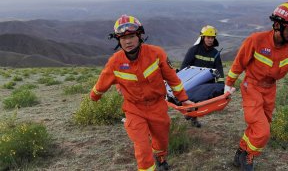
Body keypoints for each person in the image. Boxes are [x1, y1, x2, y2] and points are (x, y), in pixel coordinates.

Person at [224, 2, 288, 171]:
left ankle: (241, 151)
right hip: (251, 86)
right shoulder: (256, 40)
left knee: (260, 125)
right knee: (262, 131)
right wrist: (228, 84)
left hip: (270, 89)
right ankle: (248, 157)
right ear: (277, 26)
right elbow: (239, 63)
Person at [90, 14, 194, 171]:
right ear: (118, 40)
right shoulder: (115, 62)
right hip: (134, 109)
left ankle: (161, 157)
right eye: (123, 38)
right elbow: (102, 83)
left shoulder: (156, 54)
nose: (128, 41)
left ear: (139, 35)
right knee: (142, 145)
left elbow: (173, 79)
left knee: (161, 139)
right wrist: (94, 96)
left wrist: (184, 99)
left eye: (131, 36)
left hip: (158, 106)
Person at [180, 25, 225, 128]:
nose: (210, 40)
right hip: (193, 81)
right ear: (203, 37)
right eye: (208, 37)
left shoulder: (215, 53)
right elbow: (184, 66)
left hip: (207, 82)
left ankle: (193, 117)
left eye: (212, 38)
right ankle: (190, 114)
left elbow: (219, 69)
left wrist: (221, 84)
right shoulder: (194, 50)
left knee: (199, 101)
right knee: (191, 99)